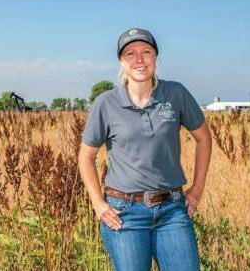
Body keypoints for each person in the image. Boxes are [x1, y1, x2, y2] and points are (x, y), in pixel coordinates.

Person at [79, 28, 212, 271]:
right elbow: (86, 157)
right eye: (130, 53)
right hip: (124, 214)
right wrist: (98, 203)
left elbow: (204, 138)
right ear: (121, 61)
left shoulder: (176, 93)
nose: (139, 60)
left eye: (146, 52)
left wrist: (197, 188)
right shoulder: (106, 103)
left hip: (172, 210)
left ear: (155, 58)